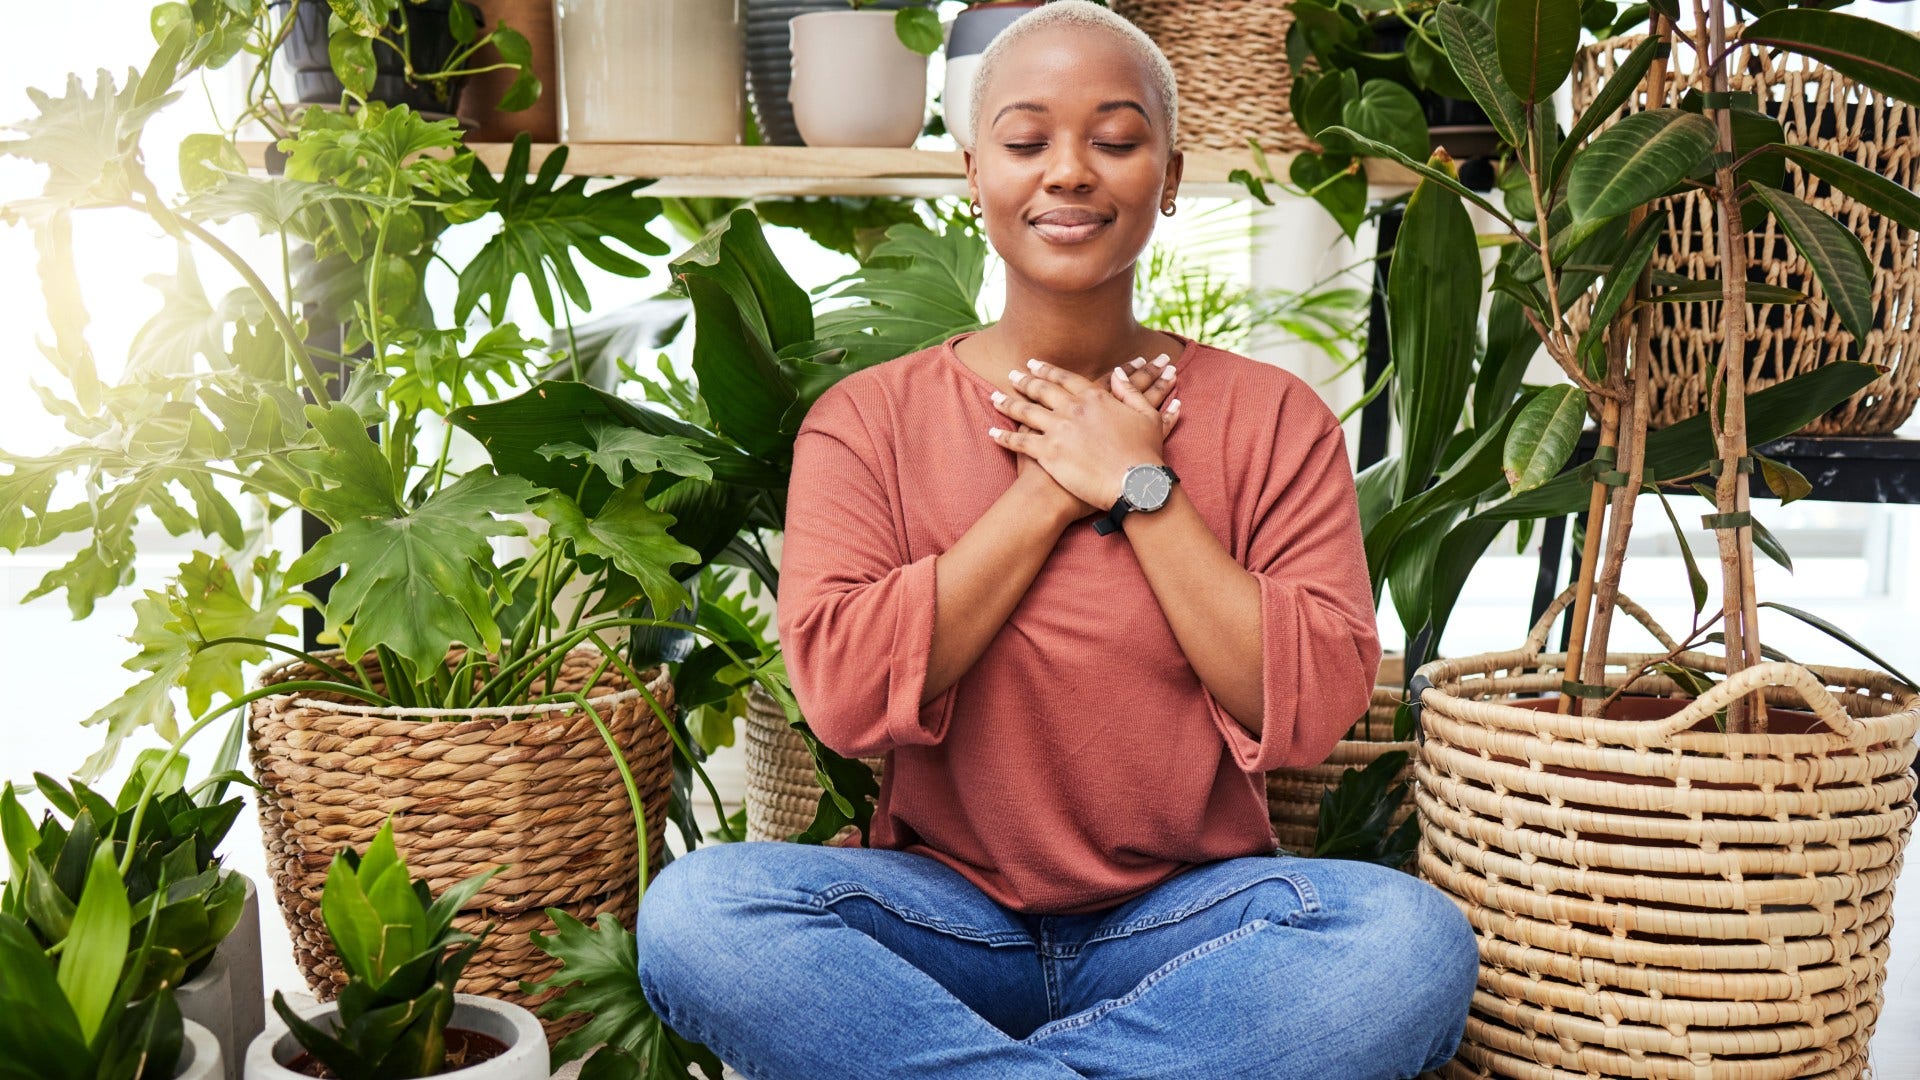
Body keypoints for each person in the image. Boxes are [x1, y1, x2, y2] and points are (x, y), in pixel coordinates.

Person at [634, 3, 1479, 1076]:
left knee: (1408, 944)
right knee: (700, 910)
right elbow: (844, 700)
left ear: (1169, 177)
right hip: (941, 922)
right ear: (971, 173)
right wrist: (1045, 492)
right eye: (1027, 142)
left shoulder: (1273, 420)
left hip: (1189, 924)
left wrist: (1143, 490)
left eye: (1117, 141)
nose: (1070, 172)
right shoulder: (867, 419)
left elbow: (1309, 707)